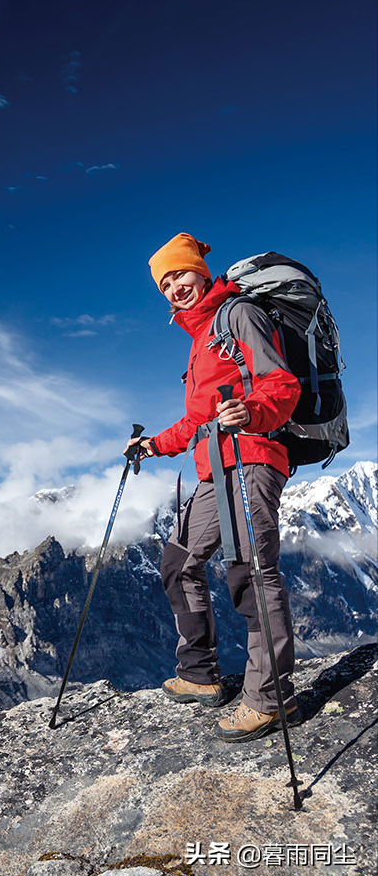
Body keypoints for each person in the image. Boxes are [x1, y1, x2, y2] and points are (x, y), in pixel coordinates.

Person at [128, 232, 303, 743]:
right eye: (164, 282)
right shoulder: (201, 338)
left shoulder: (238, 316)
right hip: (214, 468)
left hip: (251, 459)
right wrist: (151, 446)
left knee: (251, 572)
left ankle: (270, 699)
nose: (173, 287)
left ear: (201, 272)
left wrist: (251, 410)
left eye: (179, 274)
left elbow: (281, 384)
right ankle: (201, 676)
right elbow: (197, 421)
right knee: (179, 563)